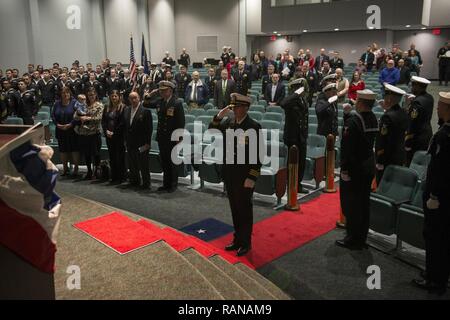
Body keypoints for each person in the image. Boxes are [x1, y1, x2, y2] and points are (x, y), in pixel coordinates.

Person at [209, 93, 262, 257]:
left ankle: (245, 243)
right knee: (235, 209)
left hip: (244, 176)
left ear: (245, 108)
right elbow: (212, 129)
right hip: (230, 174)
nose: (234, 110)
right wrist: (219, 115)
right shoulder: (229, 123)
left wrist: (252, 177)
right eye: (233, 107)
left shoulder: (253, 126)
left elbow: (258, 155)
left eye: (237, 107)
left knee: (244, 210)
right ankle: (237, 239)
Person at [412, 92, 450, 296]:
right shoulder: (445, 132)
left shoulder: (445, 136)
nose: (437, 109)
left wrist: (434, 195)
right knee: (438, 237)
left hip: (440, 197)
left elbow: (441, 169)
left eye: (441, 107)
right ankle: (434, 272)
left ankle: (436, 280)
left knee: (436, 237)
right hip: (443, 195)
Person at [336, 90, 379, 250]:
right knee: (363, 204)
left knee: (351, 204)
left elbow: (347, 146)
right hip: (368, 166)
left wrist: (345, 169)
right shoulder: (373, 118)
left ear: (360, 102)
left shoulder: (354, 120)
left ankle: (352, 238)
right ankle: (361, 237)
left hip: (354, 168)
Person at [146, 81, 185, 192]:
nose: (162, 92)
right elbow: (145, 103)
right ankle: (166, 183)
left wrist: (179, 138)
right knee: (164, 161)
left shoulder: (177, 103)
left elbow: (181, 122)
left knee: (172, 162)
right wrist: (151, 94)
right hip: (162, 136)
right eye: (161, 90)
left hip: (172, 137)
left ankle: (173, 184)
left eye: (164, 90)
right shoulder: (159, 101)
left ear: (170, 91)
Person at [280, 78, 309, 193]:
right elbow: (283, 103)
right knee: (292, 161)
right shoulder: (290, 100)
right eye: (299, 88)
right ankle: (290, 183)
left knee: (301, 162)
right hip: (292, 136)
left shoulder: (303, 100)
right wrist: (295, 94)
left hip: (301, 135)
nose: (302, 90)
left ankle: (298, 184)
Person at [375, 84, 408, 183]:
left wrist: (380, 159)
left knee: (382, 183)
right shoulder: (403, 112)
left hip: (386, 158)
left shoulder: (387, 117)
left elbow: (382, 139)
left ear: (389, 98)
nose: (384, 98)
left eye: (385, 96)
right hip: (399, 154)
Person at [123, 92, 153, 190]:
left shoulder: (145, 111)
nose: (133, 100)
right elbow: (126, 127)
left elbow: (149, 129)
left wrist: (148, 143)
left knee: (143, 164)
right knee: (132, 163)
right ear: (129, 99)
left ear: (139, 98)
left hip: (142, 142)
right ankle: (134, 181)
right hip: (130, 141)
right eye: (131, 98)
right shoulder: (126, 110)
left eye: (135, 98)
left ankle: (146, 183)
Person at [74, 88, 104, 180]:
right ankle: (89, 172)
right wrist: (80, 118)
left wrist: (87, 118)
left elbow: (99, 118)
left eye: (93, 94)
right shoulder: (83, 104)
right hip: (84, 133)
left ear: (96, 95)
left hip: (94, 132)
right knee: (87, 154)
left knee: (96, 153)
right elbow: (75, 116)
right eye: (89, 95)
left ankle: (97, 172)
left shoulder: (99, 105)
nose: (91, 96)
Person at [404, 76, 434, 166]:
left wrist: (407, 142)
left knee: (410, 162)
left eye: (413, 86)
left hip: (416, 139)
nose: (411, 88)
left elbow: (412, 124)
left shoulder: (417, 103)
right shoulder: (429, 97)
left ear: (418, 87)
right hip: (427, 134)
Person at [51, 87, 80, 177]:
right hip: (60, 130)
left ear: (70, 93)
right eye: (63, 93)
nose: (65, 94)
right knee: (63, 150)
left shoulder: (75, 103)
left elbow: (79, 115)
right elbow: (53, 115)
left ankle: (75, 168)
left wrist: (71, 124)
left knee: (74, 149)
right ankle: (65, 168)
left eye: (67, 93)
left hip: (72, 130)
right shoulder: (57, 103)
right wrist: (57, 124)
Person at [102, 90, 126, 184]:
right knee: (112, 156)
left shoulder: (123, 107)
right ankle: (114, 176)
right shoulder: (107, 107)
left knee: (120, 157)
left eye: (116, 96)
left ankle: (121, 177)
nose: (114, 98)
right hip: (109, 136)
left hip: (119, 136)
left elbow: (123, 122)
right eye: (112, 96)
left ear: (119, 97)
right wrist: (106, 131)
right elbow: (103, 121)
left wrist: (114, 132)